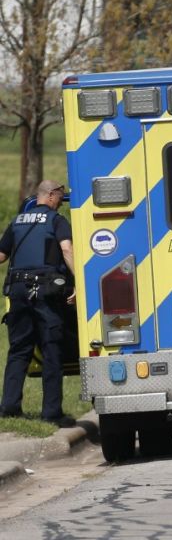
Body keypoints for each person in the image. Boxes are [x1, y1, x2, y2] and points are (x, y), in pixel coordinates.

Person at [0, 180, 76, 427]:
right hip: (45, 292)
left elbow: (2, 255)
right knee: (51, 349)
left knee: (19, 349)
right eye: (60, 198)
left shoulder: (17, 221)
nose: (60, 203)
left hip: (18, 292)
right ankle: (51, 412)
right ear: (51, 195)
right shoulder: (57, 221)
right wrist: (80, 283)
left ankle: (9, 408)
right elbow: (67, 250)